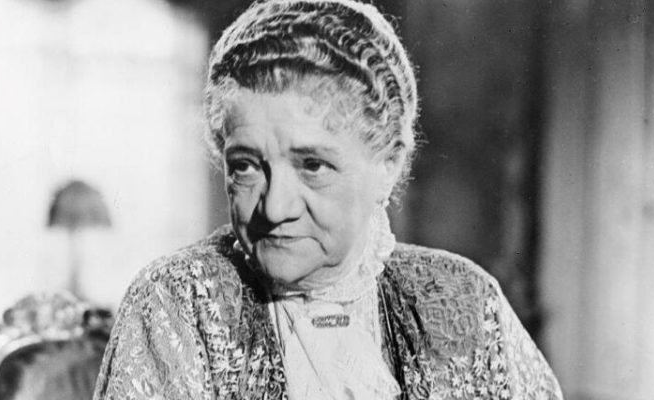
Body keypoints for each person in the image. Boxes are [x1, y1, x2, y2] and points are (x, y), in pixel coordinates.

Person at [94, 0, 563, 399]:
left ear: (388, 164)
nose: (274, 209)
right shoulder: (180, 301)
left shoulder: (464, 301)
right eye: (246, 166)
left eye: (312, 165)